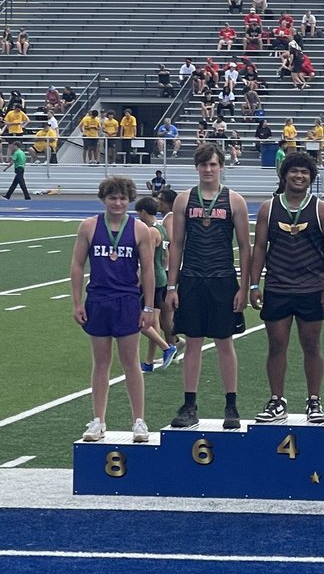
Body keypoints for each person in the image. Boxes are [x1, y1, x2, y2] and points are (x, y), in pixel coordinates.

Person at [249, 152, 324, 425]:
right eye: (294, 172)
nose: (299, 176)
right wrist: (255, 284)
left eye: (304, 172)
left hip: (311, 287)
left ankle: (314, 400)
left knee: (311, 345)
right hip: (277, 286)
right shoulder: (268, 207)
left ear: (311, 178)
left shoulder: (320, 208)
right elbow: (259, 248)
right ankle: (277, 400)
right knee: (277, 346)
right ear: (284, 175)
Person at [165, 145, 252, 430]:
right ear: (197, 167)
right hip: (191, 278)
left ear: (221, 167)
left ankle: (231, 404)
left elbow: (244, 246)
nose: (208, 169)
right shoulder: (183, 200)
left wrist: (244, 286)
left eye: (213, 164)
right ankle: (189, 404)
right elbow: (177, 244)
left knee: (225, 342)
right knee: (193, 342)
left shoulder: (235, 201)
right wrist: (171, 286)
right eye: (203, 165)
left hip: (223, 278)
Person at [70, 176, 156, 443]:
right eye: (112, 198)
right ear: (103, 199)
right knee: (101, 362)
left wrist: (149, 306)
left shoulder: (140, 229)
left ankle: (139, 421)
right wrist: (76, 302)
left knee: (131, 362)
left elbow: (149, 270)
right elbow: (76, 265)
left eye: (122, 198)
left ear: (129, 199)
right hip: (98, 299)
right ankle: (98, 420)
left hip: (128, 300)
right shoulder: (89, 226)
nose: (118, 203)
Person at [134, 197, 178, 372]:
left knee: (139, 319)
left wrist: (139, 281)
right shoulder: (161, 228)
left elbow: (148, 261)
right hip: (161, 276)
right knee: (154, 321)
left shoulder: (152, 231)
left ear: (144, 212)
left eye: (139, 213)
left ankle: (166, 348)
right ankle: (150, 361)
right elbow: (166, 255)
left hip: (152, 277)